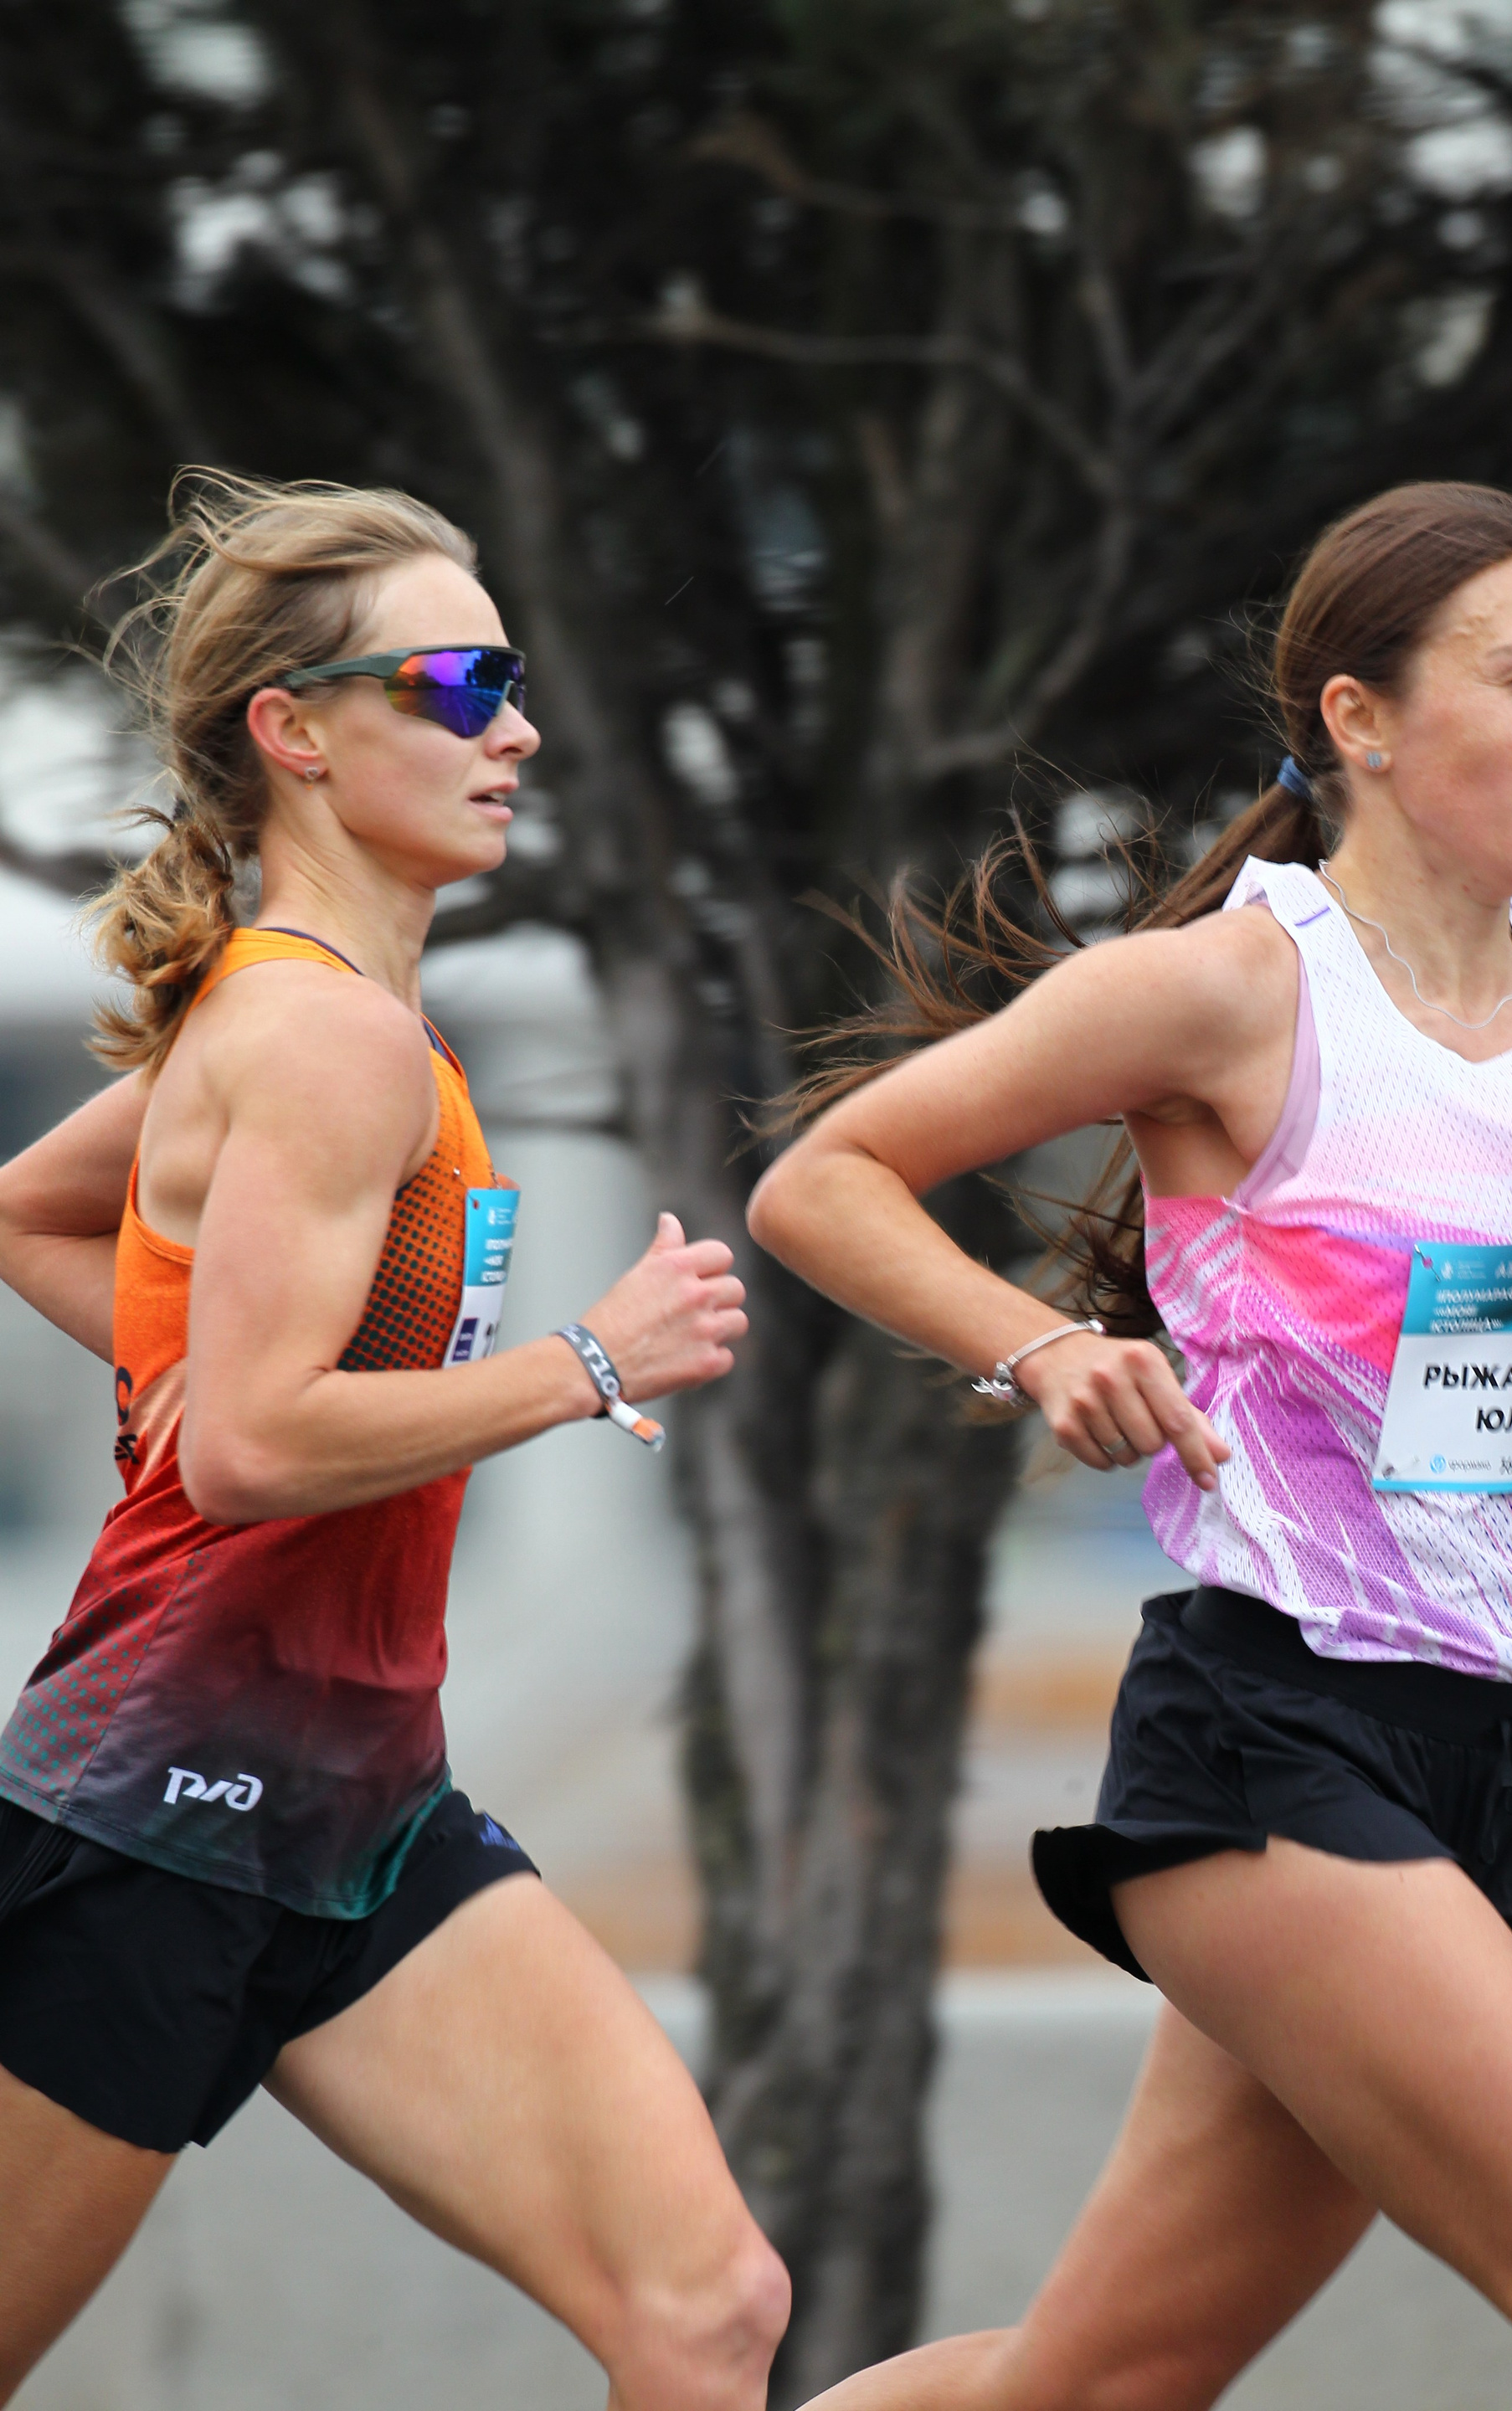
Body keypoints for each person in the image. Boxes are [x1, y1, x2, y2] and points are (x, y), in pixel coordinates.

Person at [748, 481, 1512, 2408]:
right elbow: (826, 1182)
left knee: (1093, 2386)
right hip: (1278, 1744)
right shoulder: (1230, 987)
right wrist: (1043, 1342)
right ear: (1358, 717)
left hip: (1496, 1755)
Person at [0, 473, 789, 2408]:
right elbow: (256, 1453)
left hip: (362, 1806)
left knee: (705, 2312)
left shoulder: (335, 1023)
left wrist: (182, 1358)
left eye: (509, 683)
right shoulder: (323, 1041)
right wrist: (588, 1362)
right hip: (158, 1819)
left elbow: (31, 1217)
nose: (515, 731)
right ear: (295, 731)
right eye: (457, 684)